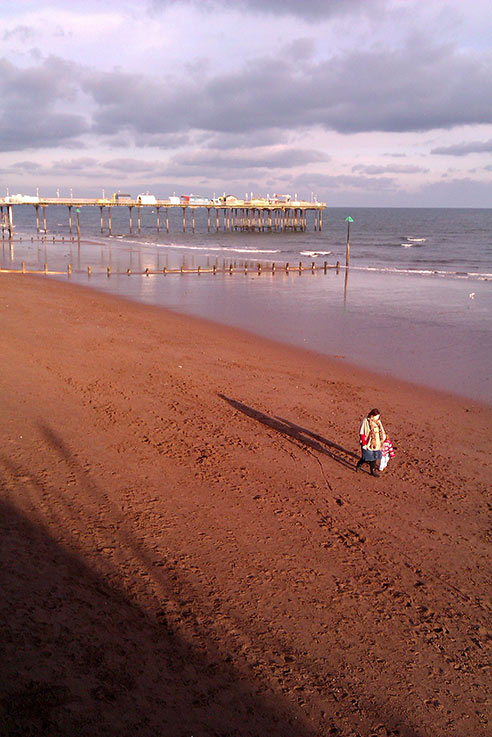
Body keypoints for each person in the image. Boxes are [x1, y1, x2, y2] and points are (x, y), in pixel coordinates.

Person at [355, 408, 386, 477]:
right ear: (372, 415)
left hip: (376, 442)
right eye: (377, 416)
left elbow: (382, 431)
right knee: (366, 457)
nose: (378, 417)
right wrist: (364, 444)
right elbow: (362, 433)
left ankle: (373, 471)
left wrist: (383, 439)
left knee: (374, 457)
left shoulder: (378, 421)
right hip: (368, 442)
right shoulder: (366, 421)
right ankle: (359, 464)